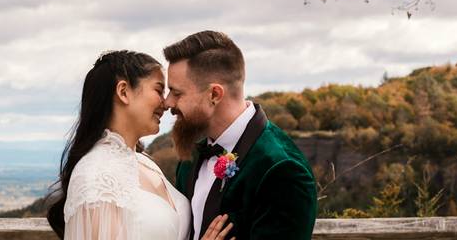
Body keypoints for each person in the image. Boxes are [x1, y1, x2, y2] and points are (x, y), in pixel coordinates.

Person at [47, 50, 235, 240]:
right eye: (158, 90)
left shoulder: (145, 163)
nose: (167, 103)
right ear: (123, 92)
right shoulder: (96, 176)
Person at [163, 31, 317, 240]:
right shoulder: (191, 158)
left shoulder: (282, 169)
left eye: (177, 93)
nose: (168, 102)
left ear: (214, 95)